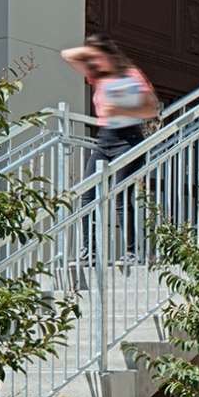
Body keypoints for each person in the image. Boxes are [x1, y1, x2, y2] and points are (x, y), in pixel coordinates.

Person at [60, 36, 162, 261]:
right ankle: (89, 251)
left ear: (110, 54)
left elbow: (151, 108)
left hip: (128, 138)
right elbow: (66, 56)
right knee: (87, 194)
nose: (95, 62)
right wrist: (90, 52)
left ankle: (132, 251)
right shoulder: (97, 76)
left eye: (99, 57)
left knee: (120, 196)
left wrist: (123, 110)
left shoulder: (131, 75)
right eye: (92, 58)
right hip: (105, 139)